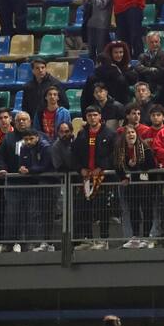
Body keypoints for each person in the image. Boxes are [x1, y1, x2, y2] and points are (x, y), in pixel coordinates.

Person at [71, 105, 117, 250]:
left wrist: (101, 167)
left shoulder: (109, 134)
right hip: (85, 179)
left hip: (103, 179)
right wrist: (80, 169)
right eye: (89, 115)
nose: (92, 118)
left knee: (103, 210)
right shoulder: (82, 134)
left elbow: (113, 155)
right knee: (84, 210)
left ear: (100, 116)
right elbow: (75, 155)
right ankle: (87, 239)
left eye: (95, 115)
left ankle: (104, 240)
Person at [114, 125, 156, 249]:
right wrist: (123, 177)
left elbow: (151, 165)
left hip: (144, 185)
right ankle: (135, 237)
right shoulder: (120, 150)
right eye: (128, 133)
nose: (131, 135)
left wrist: (136, 165)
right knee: (133, 210)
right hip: (130, 186)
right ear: (124, 136)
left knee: (147, 210)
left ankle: (147, 237)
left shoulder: (145, 148)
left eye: (133, 132)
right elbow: (117, 167)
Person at [21, 58, 69, 122]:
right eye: (37, 68)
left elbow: (65, 104)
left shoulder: (55, 84)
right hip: (34, 121)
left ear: (46, 69)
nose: (40, 70)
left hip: (52, 120)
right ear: (33, 70)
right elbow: (25, 106)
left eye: (43, 68)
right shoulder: (28, 86)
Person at [135, 32, 164, 104]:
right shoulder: (142, 56)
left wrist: (145, 69)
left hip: (160, 86)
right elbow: (137, 68)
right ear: (147, 43)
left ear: (159, 42)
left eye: (156, 42)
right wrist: (151, 69)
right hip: (146, 85)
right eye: (151, 42)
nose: (154, 44)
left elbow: (159, 73)